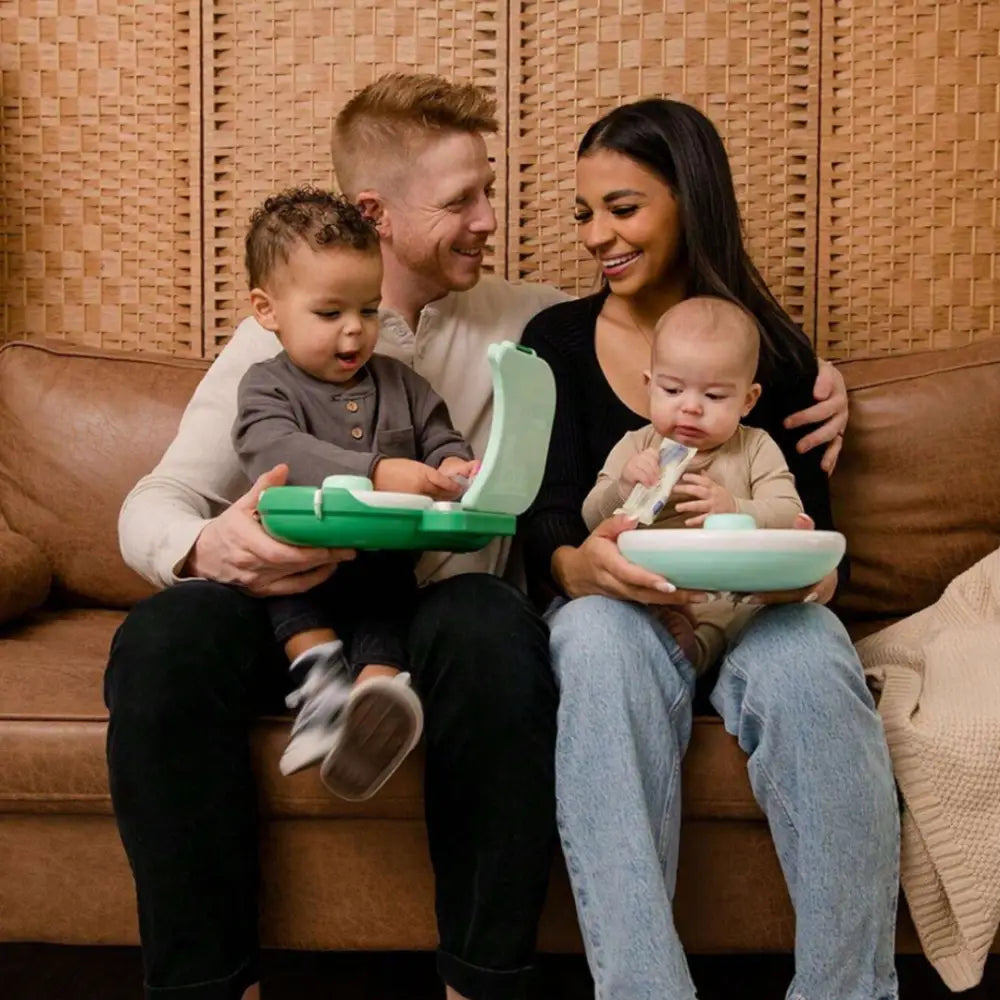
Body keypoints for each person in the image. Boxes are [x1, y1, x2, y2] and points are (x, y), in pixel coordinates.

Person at [105, 74, 566, 1000]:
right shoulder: (268, 346)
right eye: (462, 200)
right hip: (297, 594)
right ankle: (207, 987)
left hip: (433, 605)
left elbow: (686, 335)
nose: (489, 219)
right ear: (376, 213)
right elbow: (154, 501)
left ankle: (483, 981)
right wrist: (207, 550)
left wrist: (806, 374)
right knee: (160, 643)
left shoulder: (534, 321)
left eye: (489, 190)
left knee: (496, 632)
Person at [520, 98, 900, 1000]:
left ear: (689, 202)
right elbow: (545, 522)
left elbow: (808, 529)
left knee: (812, 655)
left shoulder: (776, 356)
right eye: (584, 213)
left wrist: (814, 570)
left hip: (754, 616)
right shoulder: (555, 345)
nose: (595, 235)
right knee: (594, 640)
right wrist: (584, 566)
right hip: (622, 609)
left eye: (622, 207)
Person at [232, 187, 477, 797]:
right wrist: (377, 471)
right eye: (329, 313)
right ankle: (320, 689)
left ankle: (376, 699)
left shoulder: (403, 383)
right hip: (297, 562)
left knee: (390, 598)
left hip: (381, 559)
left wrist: (457, 467)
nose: (354, 331)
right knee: (283, 593)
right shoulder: (265, 386)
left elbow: (443, 436)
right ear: (268, 310)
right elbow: (271, 447)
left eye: (368, 310)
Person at [582, 295, 803, 671]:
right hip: (650, 586)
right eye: (672, 391)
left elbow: (789, 513)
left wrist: (736, 508)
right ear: (649, 385)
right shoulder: (637, 446)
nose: (690, 407)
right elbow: (591, 518)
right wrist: (622, 488)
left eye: (714, 395)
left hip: (728, 590)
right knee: (615, 610)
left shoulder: (755, 448)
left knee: (738, 612)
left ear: (748, 401)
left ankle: (699, 651)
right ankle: (670, 646)